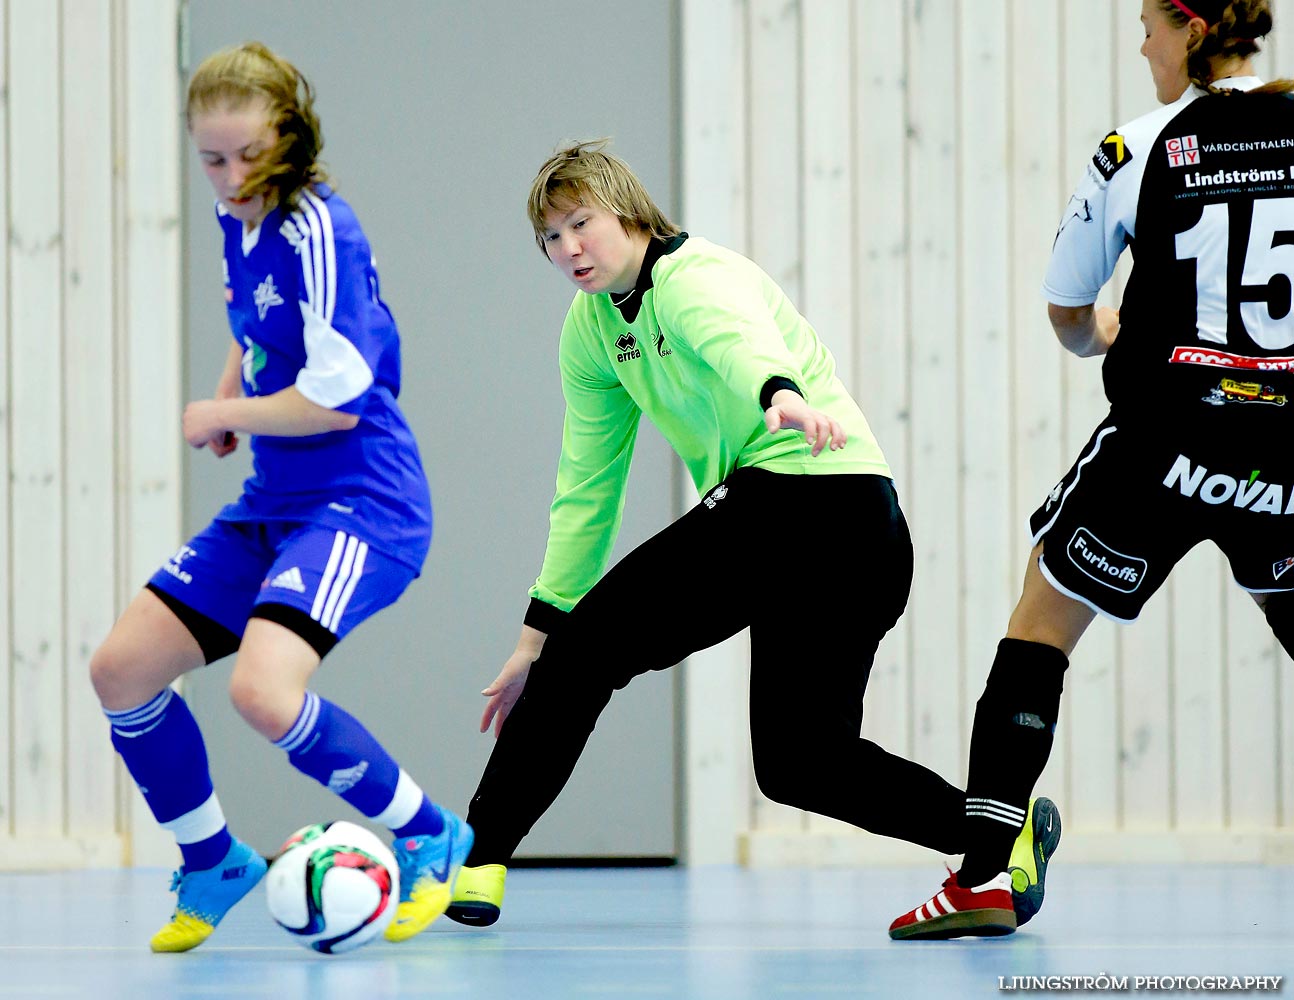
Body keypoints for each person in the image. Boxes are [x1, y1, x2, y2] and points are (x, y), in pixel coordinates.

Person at [443, 140, 1059, 928]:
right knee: (802, 763)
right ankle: (998, 839)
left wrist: (781, 392)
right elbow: (588, 486)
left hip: (814, 501)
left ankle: (480, 855)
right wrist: (537, 629)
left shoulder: (696, 276)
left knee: (587, 652)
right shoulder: (591, 331)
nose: (567, 250)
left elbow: (735, 339)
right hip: (835, 528)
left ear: (626, 209)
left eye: (579, 224)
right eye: (549, 239)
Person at [890, 0, 1291, 940]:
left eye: (1149, 23)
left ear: (1191, 33)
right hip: (1282, 448)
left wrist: (1107, 334)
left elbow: (1069, 309)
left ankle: (986, 874)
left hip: (1166, 441)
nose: (1139, 41)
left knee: (1042, 619)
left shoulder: (1137, 147)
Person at [88, 42, 470, 953]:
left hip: (361, 503)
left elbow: (337, 406)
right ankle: (214, 859)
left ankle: (429, 834)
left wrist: (219, 409)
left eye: (245, 156)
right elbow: (254, 328)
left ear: (286, 140)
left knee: (263, 692)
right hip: (275, 498)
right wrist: (236, 401)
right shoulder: (243, 220)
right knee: (122, 671)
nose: (227, 176)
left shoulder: (320, 229)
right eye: (210, 159)